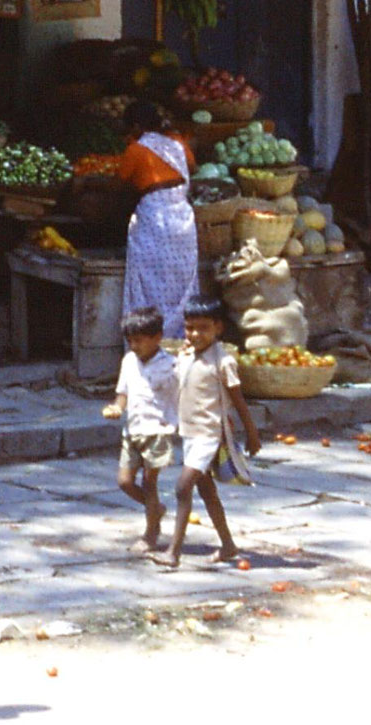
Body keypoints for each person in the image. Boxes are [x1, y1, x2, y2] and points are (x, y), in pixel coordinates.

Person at [158, 296, 261, 570]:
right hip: (189, 433)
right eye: (189, 328)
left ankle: (173, 552)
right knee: (207, 491)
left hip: (209, 434)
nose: (194, 334)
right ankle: (228, 545)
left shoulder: (223, 362)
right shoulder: (187, 354)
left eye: (202, 328)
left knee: (182, 487)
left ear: (218, 328)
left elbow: (239, 401)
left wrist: (252, 434)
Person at [117, 100, 199, 343]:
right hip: (183, 220)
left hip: (155, 220)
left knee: (151, 281)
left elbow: (117, 184)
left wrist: (86, 183)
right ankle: (179, 339)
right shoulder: (177, 142)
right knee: (181, 281)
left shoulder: (136, 149)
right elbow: (192, 168)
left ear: (136, 126)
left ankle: (151, 339)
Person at [103, 306, 179, 554]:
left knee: (150, 482)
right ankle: (155, 509)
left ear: (157, 338)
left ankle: (151, 534)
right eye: (130, 341)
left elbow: (185, 393)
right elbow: (122, 392)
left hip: (159, 431)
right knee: (125, 481)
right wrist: (117, 407)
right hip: (132, 430)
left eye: (139, 340)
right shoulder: (129, 361)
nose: (134, 346)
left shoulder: (171, 365)